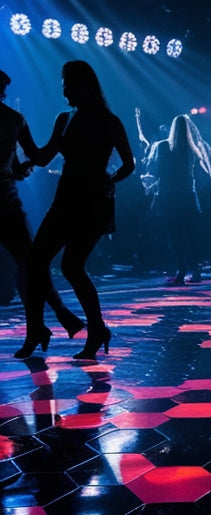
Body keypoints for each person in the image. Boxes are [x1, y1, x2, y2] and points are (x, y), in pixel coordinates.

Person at [15, 60, 135, 360]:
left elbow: (129, 164)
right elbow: (42, 158)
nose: (64, 91)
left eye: (67, 85)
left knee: (66, 265)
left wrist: (111, 180)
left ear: (83, 85)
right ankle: (51, 328)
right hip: (68, 199)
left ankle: (86, 329)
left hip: (92, 201)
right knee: (43, 263)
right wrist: (22, 132)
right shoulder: (66, 119)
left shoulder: (108, 121)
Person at [0, 68, 83, 331]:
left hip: (6, 198)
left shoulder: (14, 118)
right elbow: (36, 157)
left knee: (30, 262)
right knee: (30, 262)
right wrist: (56, 139)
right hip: (6, 199)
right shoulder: (14, 119)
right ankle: (55, 317)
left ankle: (46, 323)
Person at [152, 114, 211, 285]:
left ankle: (181, 270)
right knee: (190, 236)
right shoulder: (192, 149)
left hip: (170, 197)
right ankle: (196, 270)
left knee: (175, 236)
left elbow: (158, 171)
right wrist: (194, 188)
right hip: (188, 197)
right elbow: (206, 175)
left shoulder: (163, 146)